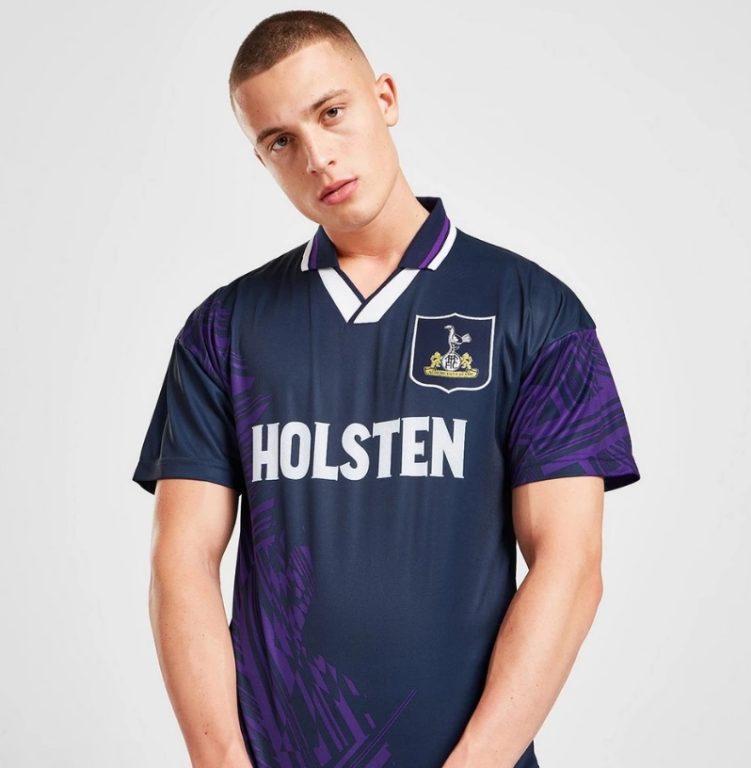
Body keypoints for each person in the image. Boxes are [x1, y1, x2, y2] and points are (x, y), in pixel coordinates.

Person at [132, 10, 641, 768]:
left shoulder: (533, 311)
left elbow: (570, 565)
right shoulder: (225, 330)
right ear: (262, 158)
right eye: (280, 141)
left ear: (385, 98)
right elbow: (181, 563)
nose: (318, 157)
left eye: (331, 112)